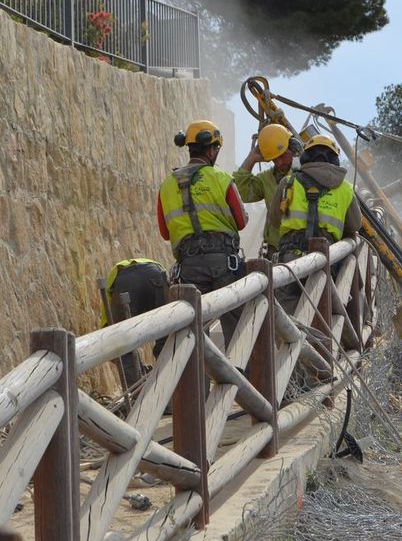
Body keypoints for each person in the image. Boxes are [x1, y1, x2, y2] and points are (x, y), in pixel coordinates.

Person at [158, 120, 248, 344]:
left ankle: (201, 368)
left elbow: (165, 233)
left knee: (194, 334)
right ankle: (239, 366)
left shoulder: (166, 186)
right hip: (224, 264)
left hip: (188, 267)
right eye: (216, 148)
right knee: (238, 328)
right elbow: (242, 221)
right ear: (211, 149)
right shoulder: (221, 178)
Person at [268, 134, 362, 261]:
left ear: (306, 157)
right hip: (329, 259)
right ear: (334, 159)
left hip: (290, 258)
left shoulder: (288, 182)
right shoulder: (346, 189)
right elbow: (355, 225)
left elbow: (274, 219)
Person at [100, 258, 169, 390]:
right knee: (167, 339)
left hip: (126, 282)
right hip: (155, 274)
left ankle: (138, 394)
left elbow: (110, 334)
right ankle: (168, 389)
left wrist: (136, 370)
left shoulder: (110, 294)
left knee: (121, 344)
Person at [233, 123, 301, 256]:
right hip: (274, 251)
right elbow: (240, 193)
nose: (279, 162)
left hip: (301, 249)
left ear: (293, 149)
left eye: (283, 156)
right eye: (274, 159)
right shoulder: (266, 179)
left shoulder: (304, 176)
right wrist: (251, 159)